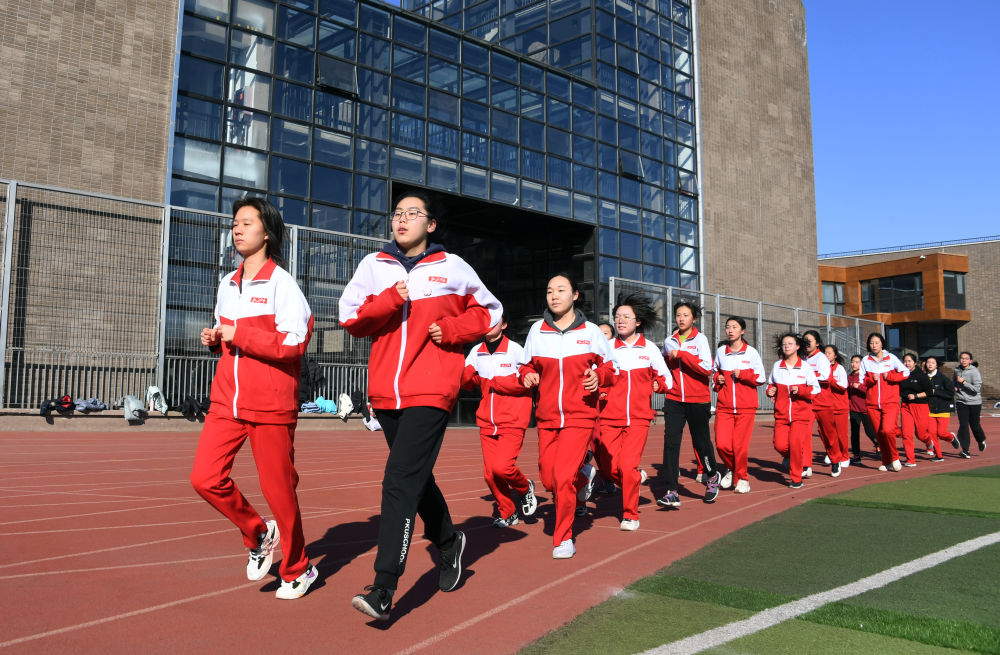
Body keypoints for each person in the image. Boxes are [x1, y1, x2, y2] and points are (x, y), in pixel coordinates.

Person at [339, 190, 502, 620]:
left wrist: (450, 329)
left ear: (430, 225)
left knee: (398, 480)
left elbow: (491, 313)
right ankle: (449, 541)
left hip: (432, 389)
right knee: (415, 477)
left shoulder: (452, 266)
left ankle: (384, 587)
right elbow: (349, 317)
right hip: (387, 393)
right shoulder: (374, 265)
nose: (402, 219)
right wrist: (391, 298)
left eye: (413, 213)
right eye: (397, 213)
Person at [190, 197, 317, 600]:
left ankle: (298, 568)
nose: (237, 228)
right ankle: (257, 531)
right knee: (205, 478)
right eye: (234, 223)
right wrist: (216, 339)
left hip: (271, 404)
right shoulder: (227, 284)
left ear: (267, 233)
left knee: (279, 489)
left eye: (246, 222)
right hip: (227, 400)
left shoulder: (283, 284)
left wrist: (238, 335)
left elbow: (295, 342)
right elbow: (226, 335)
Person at [520, 274, 618, 558]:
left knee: (562, 478)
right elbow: (524, 366)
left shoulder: (590, 332)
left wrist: (597, 376)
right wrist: (527, 376)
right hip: (548, 417)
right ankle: (584, 477)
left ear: (574, 295)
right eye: (550, 290)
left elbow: (613, 370)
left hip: (580, 416)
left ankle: (563, 538)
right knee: (549, 480)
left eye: (561, 290)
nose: (554, 295)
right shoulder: (537, 331)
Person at [597, 294, 670, 530]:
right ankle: (636, 479)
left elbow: (666, 378)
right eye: (617, 317)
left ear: (638, 321)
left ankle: (630, 514)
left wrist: (659, 383)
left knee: (627, 467)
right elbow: (595, 376)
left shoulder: (649, 349)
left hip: (638, 418)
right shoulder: (606, 348)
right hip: (609, 417)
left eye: (625, 317)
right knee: (608, 470)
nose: (620, 321)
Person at [461, 315, 538, 528]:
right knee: (490, 474)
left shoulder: (515, 350)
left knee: (502, 467)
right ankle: (508, 513)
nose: (487, 325)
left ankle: (524, 488)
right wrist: (464, 375)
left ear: (504, 325)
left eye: (493, 321)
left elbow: (527, 380)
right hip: (487, 420)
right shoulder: (476, 352)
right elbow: (467, 381)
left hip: (513, 419)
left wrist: (496, 382)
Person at [658, 300, 728, 507]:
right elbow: (663, 365)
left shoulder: (700, 340)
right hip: (674, 399)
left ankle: (712, 475)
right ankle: (671, 490)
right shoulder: (669, 340)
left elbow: (707, 368)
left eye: (685, 315)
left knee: (701, 443)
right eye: (678, 315)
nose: (681, 318)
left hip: (698, 400)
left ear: (693, 319)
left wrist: (683, 354)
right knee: (670, 443)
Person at [712, 317, 766, 494]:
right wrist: (717, 379)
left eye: (734, 327)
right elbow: (715, 373)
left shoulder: (751, 353)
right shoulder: (721, 352)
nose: (730, 330)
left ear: (742, 331)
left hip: (746, 407)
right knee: (722, 444)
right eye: (727, 327)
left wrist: (743, 374)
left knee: (740, 447)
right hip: (724, 406)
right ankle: (734, 469)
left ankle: (742, 478)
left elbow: (761, 377)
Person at [766, 333, 821, 488]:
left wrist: (801, 391)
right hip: (782, 414)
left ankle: (796, 477)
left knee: (796, 444)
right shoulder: (777, 366)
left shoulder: (805, 367)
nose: (786, 346)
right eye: (784, 344)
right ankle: (791, 458)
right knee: (780, 445)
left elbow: (815, 389)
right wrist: (770, 390)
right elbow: (771, 384)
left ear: (797, 346)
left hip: (801, 414)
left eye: (790, 343)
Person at [859, 333, 909, 472]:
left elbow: (905, 373)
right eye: (871, 343)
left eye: (876, 342)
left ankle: (895, 457)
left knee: (887, 430)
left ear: (882, 344)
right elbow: (862, 381)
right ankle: (886, 461)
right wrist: (871, 380)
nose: (874, 345)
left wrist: (891, 376)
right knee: (879, 433)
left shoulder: (891, 358)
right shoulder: (866, 360)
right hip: (872, 403)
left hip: (890, 402)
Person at [802, 330, 843, 478]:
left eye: (809, 341)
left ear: (817, 343)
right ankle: (806, 464)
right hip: (807, 402)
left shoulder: (821, 358)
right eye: (804, 341)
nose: (806, 344)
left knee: (828, 434)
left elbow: (826, 376)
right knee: (804, 433)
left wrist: (808, 377)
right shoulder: (803, 359)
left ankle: (836, 460)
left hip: (823, 403)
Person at [899, 353, 933, 466]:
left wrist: (916, 396)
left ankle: (928, 441)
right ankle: (910, 460)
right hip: (905, 406)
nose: (907, 363)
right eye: (905, 361)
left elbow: (929, 392)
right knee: (906, 433)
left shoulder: (921, 375)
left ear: (915, 362)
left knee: (921, 434)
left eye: (909, 361)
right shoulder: (901, 374)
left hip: (920, 405)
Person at [953, 351, 988, 458]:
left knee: (975, 425)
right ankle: (965, 450)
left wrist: (964, 383)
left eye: (966, 359)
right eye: (962, 358)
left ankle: (981, 439)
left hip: (974, 402)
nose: (963, 360)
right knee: (963, 425)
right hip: (961, 401)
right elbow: (954, 381)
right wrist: (955, 387)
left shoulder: (975, 372)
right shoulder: (956, 370)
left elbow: (976, 389)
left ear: (970, 361)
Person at [823, 344, 851, 470]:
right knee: (828, 433)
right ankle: (833, 453)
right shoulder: (821, 368)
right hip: (826, 406)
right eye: (825, 353)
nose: (827, 355)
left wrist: (831, 380)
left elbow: (843, 386)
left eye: (829, 353)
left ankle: (845, 456)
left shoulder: (839, 368)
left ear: (835, 355)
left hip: (840, 406)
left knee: (841, 434)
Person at [847, 354, 879, 463]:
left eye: (856, 362)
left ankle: (878, 444)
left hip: (865, 408)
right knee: (854, 433)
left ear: (861, 364)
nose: (853, 364)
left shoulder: (864, 376)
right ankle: (856, 456)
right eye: (852, 362)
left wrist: (859, 386)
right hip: (853, 409)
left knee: (869, 431)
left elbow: (870, 391)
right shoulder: (849, 376)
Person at [924, 355, 955, 460]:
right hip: (930, 410)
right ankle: (939, 456)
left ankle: (951, 437)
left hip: (943, 409)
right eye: (928, 362)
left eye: (932, 362)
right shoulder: (924, 377)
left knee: (941, 433)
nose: (930, 364)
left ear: (936, 365)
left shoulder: (943, 378)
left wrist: (935, 392)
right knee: (932, 434)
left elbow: (951, 393)